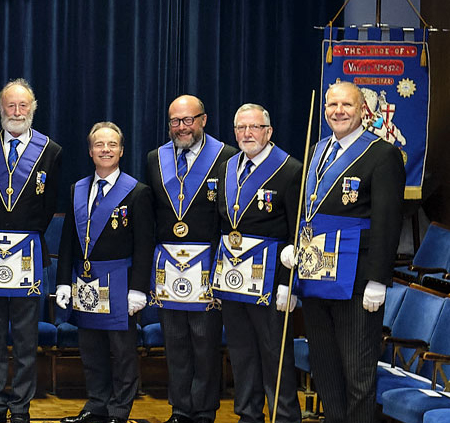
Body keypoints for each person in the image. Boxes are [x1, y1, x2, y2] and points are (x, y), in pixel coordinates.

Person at [283, 81, 404, 423]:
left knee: (357, 372)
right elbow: (307, 211)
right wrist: (296, 246)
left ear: (363, 110)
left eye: (346, 105)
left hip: (357, 281)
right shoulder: (317, 150)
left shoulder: (382, 155)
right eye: (332, 105)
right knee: (325, 367)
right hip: (316, 275)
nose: (338, 111)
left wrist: (379, 279)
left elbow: (387, 221)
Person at [0, 80, 62, 423]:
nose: (17, 112)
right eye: (10, 106)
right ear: (0, 109)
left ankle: (21, 406)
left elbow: (49, 205)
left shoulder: (51, 151)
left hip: (27, 253)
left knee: (25, 337)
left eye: (23, 106)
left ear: (32, 109)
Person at [145, 95, 237, 423]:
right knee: (176, 343)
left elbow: (230, 216)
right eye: (175, 121)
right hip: (169, 267)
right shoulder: (155, 158)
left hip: (208, 266)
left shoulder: (226, 156)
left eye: (188, 120)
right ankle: (180, 409)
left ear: (203, 120)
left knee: (205, 344)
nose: (182, 127)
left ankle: (204, 411)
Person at [56, 122, 155, 423]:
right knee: (91, 350)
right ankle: (96, 404)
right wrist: (62, 281)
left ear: (122, 150)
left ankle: (119, 410)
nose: (106, 150)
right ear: (90, 151)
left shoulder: (137, 192)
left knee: (123, 352)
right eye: (99, 145)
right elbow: (69, 241)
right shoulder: (78, 189)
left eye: (112, 144)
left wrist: (138, 288)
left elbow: (144, 245)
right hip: (85, 282)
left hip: (120, 282)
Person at [213, 104, 301, 423]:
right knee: (241, 352)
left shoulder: (290, 169)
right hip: (233, 278)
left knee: (274, 354)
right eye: (240, 128)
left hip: (271, 279)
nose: (247, 134)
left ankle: (285, 416)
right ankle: (248, 415)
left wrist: (289, 285)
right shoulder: (226, 167)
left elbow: (297, 230)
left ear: (269, 131)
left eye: (254, 127)